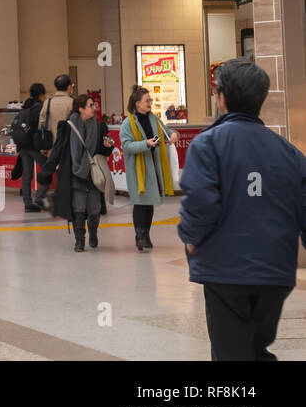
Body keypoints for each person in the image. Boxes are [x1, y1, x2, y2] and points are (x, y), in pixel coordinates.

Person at [179, 58, 306, 361]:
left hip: (225, 272)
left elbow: (201, 202)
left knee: (231, 354)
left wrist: (191, 238)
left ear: (221, 97)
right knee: (255, 349)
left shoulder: (207, 144)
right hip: (276, 273)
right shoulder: (289, 153)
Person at [36, 94, 114, 252]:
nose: (94, 108)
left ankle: (93, 232)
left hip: (93, 173)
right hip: (74, 173)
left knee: (94, 208)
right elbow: (57, 150)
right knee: (78, 208)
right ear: (80, 109)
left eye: (94, 105)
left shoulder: (99, 127)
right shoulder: (66, 126)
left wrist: (108, 146)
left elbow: (103, 150)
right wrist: (47, 170)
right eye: (90, 105)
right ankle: (80, 240)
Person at [120, 85, 175, 252]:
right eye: (147, 100)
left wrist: (173, 134)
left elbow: (167, 131)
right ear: (137, 103)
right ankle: (140, 236)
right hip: (138, 167)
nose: (150, 103)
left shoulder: (155, 119)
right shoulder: (128, 123)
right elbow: (127, 145)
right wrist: (146, 143)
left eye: (150, 100)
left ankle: (146, 235)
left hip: (152, 164)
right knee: (139, 202)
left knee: (149, 201)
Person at [11, 83, 47, 212]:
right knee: (47, 170)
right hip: (34, 146)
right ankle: (38, 198)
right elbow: (43, 126)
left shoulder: (26, 105)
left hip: (22, 145)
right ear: (41, 94)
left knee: (27, 174)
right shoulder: (40, 107)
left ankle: (27, 203)